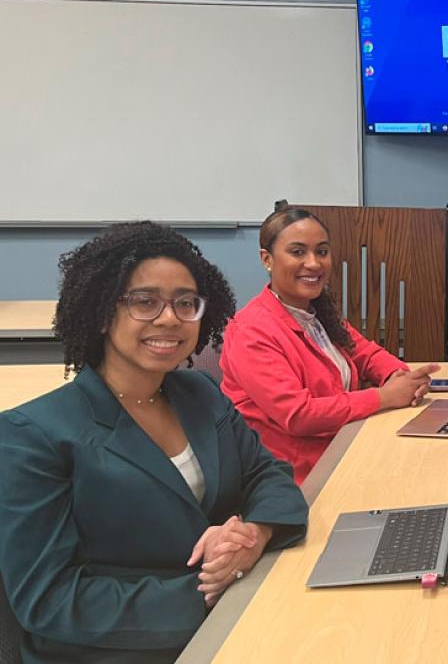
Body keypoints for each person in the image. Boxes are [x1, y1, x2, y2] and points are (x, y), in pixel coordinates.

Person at [0, 222, 308, 664]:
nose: (169, 318)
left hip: (232, 625)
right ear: (104, 312)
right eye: (144, 302)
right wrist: (211, 590)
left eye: (186, 303)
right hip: (120, 651)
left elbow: (267, 472)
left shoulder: (199, 392)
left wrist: (255, 536)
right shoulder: (32, 434)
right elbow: (50, 600)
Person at [220, 205, 439, 483]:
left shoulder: (316, 311)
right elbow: (299, 415)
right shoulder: (251, 331)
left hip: (345, 447)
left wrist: (400, 377)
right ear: (267, 259)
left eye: (322, 251)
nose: (313, 263)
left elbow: (366, 353)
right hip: (296, 478)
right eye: (297, 252)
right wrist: (386, 397)